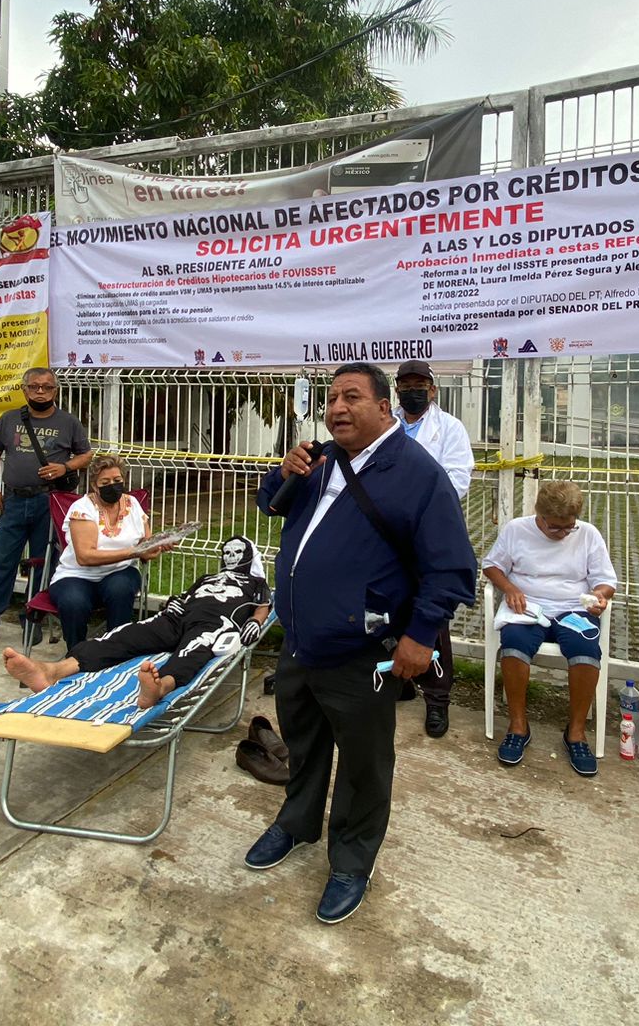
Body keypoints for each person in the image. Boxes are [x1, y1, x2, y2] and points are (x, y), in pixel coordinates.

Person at [246, 362, 476, 926]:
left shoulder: (417, 474)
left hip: (363, 648)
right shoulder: (320, 458)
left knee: (363, 763)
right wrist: (283, 473)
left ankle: (351, 859)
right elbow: (270, 504)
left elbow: (451, 569)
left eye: (351, 397)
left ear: (384, 407)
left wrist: (420, 636)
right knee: (303, 741)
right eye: (331, 398)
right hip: (301, 639)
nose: (337, 408)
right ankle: (296, 823)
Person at [2, 535, 270, 708]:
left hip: (214, 624)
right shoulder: (207, 578)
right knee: (123, 635)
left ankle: (160, 687)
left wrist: (255, 622)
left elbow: (263, 606)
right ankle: (53, 671)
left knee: (192, 652)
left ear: (248, 555)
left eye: (237, 552)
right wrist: (173, 602)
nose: (230, 557)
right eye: (227, 552)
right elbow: (185, 595)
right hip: (176, 617)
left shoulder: (256, 582)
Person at [0, 369, 91, 654]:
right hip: (13, 501)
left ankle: (32, 620)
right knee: (2, 563)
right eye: (34, 386)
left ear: (55, 391)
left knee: (43, 564)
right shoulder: (9, 419)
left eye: (47, 387)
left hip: (49, 501)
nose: (40, 392)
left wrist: (65, 467)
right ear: (24, 389)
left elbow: (86, 455)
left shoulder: (68, 422)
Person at [484, 480, 617, 776]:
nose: (563, 533)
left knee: (585, 651)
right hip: (528, 606)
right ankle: (518, 726)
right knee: (514, 647)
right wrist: (509, 588)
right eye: (555, 527)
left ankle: (576, 732)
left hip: (573, 607)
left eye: (569, 526)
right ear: (539, 515)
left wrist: (600, 596)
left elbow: (606, 580)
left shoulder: (587, 534)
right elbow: (492, 565)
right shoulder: (517, 530)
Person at [393, 358, 474, 738]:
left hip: (428, 531)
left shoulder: (450, 428)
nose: (413, 391)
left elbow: (457, 480)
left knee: (432, 618)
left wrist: (413, 503)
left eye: (419, 385)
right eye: (406, 385)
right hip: (386, 531)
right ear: (396, 390)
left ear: (433, 390)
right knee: (392, 608)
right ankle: (401, 682)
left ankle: (437, 698)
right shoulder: (387, 422)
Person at [47, 454, 168, 654]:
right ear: (94, 485)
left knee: (120, 589)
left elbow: (145, 548)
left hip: (119, 571)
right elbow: (85, 557)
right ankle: (77, 656)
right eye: (105, 482)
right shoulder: (82, 509)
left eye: (117, 480)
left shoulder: (133, 504)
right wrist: (133, 552)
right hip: (76, 575)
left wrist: (159, 544)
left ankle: (116, 652)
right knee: (73, 602)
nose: (113, 486)